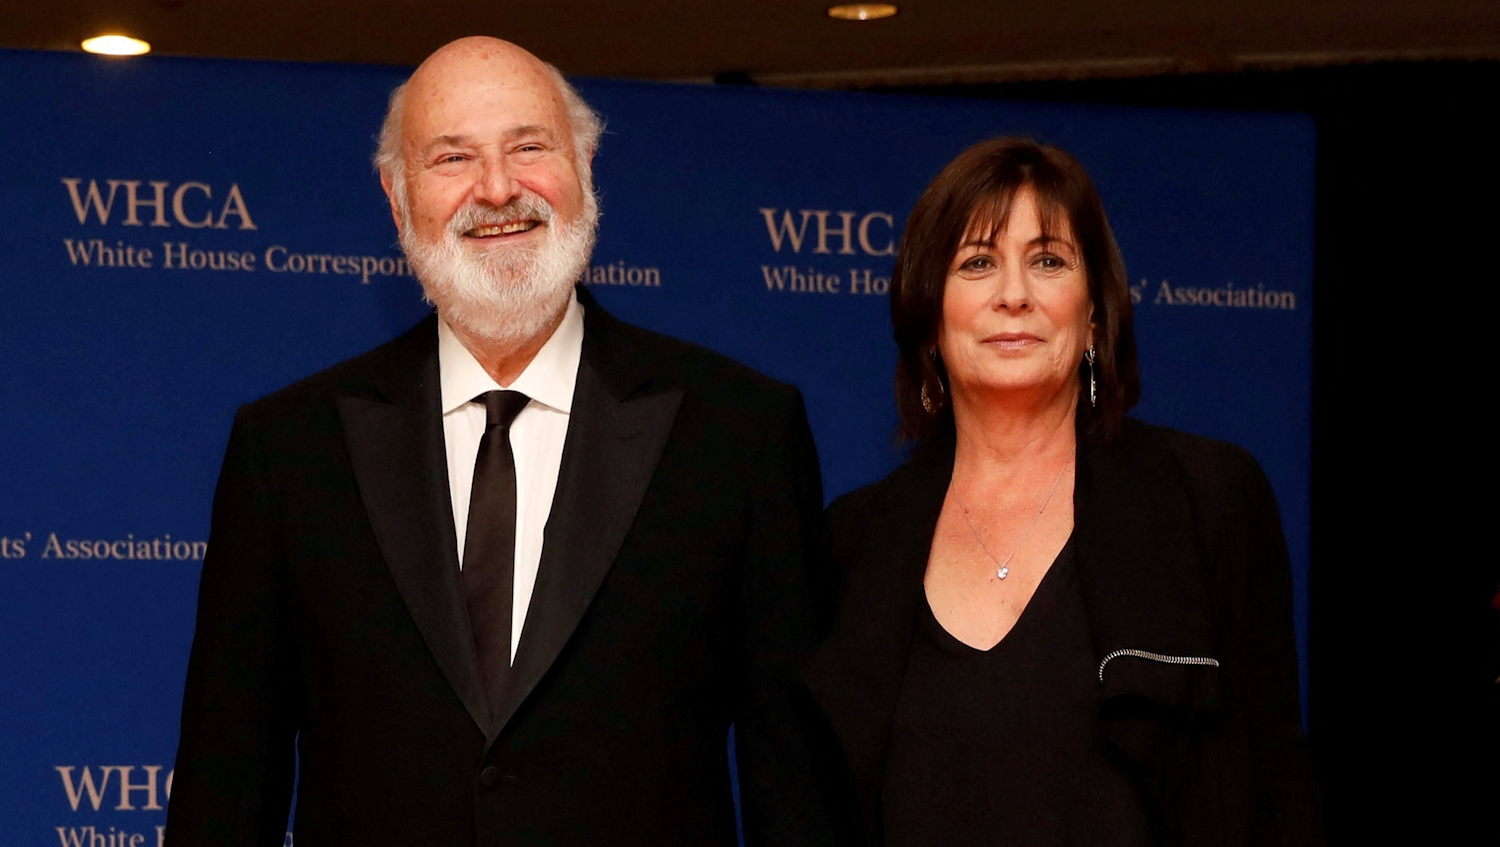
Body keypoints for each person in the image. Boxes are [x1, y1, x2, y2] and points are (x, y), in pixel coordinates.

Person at [165, 37, 829, 847]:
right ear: (397, 198)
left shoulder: (739, 432)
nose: (498, 189)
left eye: (529, 146)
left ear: (585, 170)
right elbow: (226, 786)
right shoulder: (288, 449)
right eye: (452, 158)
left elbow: (793, 784)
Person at [801, 138, 1323, 847]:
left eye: (1048, 260)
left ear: (1095, 315)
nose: (1013, 293)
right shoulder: (856, 542)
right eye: (977, 263)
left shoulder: (1207, 497)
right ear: (930, 319)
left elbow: (1276, 788)